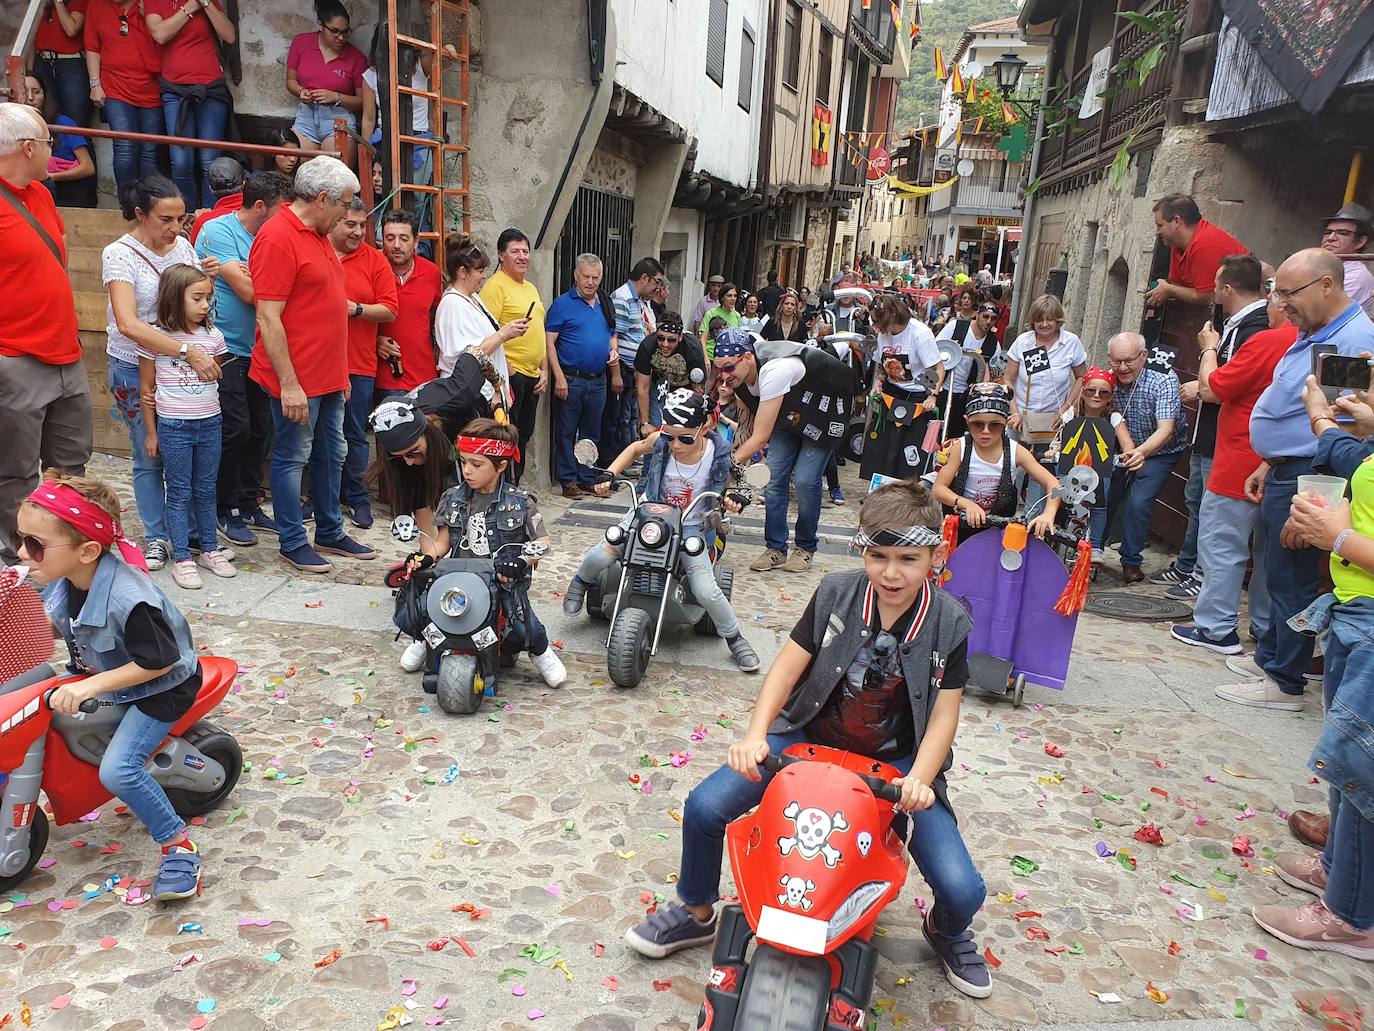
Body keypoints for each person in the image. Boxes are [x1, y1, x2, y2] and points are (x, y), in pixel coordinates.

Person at [623, 479, 991, 999]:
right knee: (705, 807)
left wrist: (920, 782)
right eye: (878, 555)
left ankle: (947, 932)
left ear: (937, 553)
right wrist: (755, 736)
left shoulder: (950, 621)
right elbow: (786, 670)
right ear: (863, 551)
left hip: (896, 764)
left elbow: (944, 717)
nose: (891, 572)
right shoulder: (836, 592)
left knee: (961, 887)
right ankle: (696, 909)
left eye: (908, 558)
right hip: (806, 740)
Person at [17, 473, 206, 901]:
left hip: (157, 689)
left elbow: (160, 662)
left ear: (86, 551)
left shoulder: (128, 598)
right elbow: (50, 626)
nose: (20, 552)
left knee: (118, 769)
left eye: (35, 544)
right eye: (20, 537)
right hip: (105, 675)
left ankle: (179, 845)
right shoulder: (68, 579)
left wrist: (91, 686)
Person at [1214, 248, 1374, 710]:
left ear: (1327, 285)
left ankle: (1283, 681)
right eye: (1277, 293)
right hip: (1289, 466)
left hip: (1312, 472)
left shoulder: (1354, 339)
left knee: (1293, 577)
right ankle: (1272, 659)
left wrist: (1313, 490)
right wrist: (1270, 463)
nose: (1281, 304)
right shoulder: (1318, 332)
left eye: (1289, 293)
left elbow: (1348, 428)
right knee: (1279, 573)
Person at [1249, 408, 1374, 957]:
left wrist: (1338, 536)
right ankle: (1338, 871)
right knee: (1344, 765)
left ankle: (1350, 916)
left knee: (1361, 773)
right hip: (1353, 610)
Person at [562, 389, 760, 672]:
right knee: (605, 550)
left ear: (705, 427)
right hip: (649, 513)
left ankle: (735, 638)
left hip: (691, 522)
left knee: (705, 587)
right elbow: (634, 449)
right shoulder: (660, 442)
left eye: (685, 438)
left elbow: (738, 482)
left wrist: (735, 498)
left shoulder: (719, 452)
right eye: (670, 435)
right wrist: (610, 473)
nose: (675, 444)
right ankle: (580, 583)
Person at [249, 155, 377, 573]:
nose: (349, 213)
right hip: (297, 378)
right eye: (345, 203)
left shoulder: (318, 234)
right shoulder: (278, 237)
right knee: (293, 456)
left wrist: (339, 372)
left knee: (332, 453)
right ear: (322, 199)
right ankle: (291, 541)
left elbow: (326, 311)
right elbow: (269, 317)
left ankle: (329, 530)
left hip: (326, 375)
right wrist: (289, 384)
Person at [1171, 272, 1294, 655]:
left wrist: (1210, 347)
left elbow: (1211, 388)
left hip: (1241, 458)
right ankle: (1264, 627)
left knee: (1222, 544)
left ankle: (1216, 628)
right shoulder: (1312, 342)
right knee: (1269, 553)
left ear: (1280, 303)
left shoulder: (1271, 340)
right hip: (1283, 462)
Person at [103, 175, 221, 570]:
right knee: (149, 452)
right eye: (166, 220)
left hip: (183, 369)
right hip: (137, 365)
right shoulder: (118, 254)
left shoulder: (183, 246)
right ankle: (156, 537)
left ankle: (189, 536)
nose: (176, 229)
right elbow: (128, 323)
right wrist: (188, 352)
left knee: (185, 457)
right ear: (140, 214)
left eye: (182, 219)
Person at [403, 417, 567, 686]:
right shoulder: (451, 497)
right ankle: (425, 639)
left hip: (500, 581)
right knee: (422, 607)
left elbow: (543, 541)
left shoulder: (521, 502)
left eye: (476, 464)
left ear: (501, 465)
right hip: (457, 578)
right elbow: (443, 541)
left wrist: (521, 560)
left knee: (525, 624)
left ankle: (541, 652)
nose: (467, 471)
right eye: (464, 462)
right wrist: (427, 556)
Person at [0, 103, 92, 566]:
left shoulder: (40, 194)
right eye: (49, 143)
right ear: (28, 148)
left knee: (71, 462)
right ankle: (19, 556)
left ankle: (64, 545)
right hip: (14, 358)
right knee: (14, 470)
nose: (55, 151)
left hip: (65, 354)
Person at [1159, 254, 1271, 599]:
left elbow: (1219, 388)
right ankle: (1189, 565)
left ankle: (1201, 576)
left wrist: (1208, 353)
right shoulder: (1235, 322)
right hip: (1210, 432)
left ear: (1226, 288)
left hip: (1228, 438)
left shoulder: (1254, 329)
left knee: (1215, 517)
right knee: (1198, 502)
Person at [712, 329, 862, 574]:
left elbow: (759, 439)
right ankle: (776, 549)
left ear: (747, 357)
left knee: (805, 480)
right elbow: (747, 431)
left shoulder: (775, 370)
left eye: (728, 368)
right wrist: (734, 471)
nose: (724, 376)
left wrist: (721, 465)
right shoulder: (736, 377)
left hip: (822, 415)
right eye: (719, 369)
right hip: (788, 417)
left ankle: (805, 548)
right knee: (773, 479)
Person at [196, 170, 291, 547]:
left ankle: (249, 500)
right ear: (258, 207)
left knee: (261, 428)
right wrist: (267, 281)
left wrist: (259, 278)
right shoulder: (220, 232)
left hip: (263, 347)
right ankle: (225, 508)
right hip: (228, 348)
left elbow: (265, 286)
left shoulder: (275, 236)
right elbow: (252, 294)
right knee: (235, 429)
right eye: (280, 210)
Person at [138, 264, 234, 589]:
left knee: (207, 490)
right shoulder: (157, 340)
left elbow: (214, 376)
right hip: (174, 427)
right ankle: (182, 557)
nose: (205, 305)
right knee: (178, 492)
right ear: (174, 299)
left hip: (210, 424)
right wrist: (152, 433)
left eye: (208, 297)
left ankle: (209, 548)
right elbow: (146, 390)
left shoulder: (214, 337)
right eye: (197, 298)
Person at [331, 197, 398, 529]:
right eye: (350, 224)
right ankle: (322, 499)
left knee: (355, 434)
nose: (358, 231)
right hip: (320, 361)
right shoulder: (319, 251)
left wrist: (355, 308)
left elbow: (389, 308)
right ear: (334, 221)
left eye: (363, 225)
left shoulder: (375, 260)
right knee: (319, 435)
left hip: (358, 363)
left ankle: (357, 499)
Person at [1103, 332, 1187, 584]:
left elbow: (1166, 429)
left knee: (1139, 502)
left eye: (1129, 361)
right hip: (1120, 447)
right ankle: (1092, 551)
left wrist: (1141, 453)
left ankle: (1130, 561)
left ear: (1144, 356)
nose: (1122, 368)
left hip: (1160, 451)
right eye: (1116, 361)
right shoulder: (1109, 377)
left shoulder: (1163, 378)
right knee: (1104, 496)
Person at [933, 384, 1061, 541]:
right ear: (967, 421)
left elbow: (1054, 484)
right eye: (977, 424)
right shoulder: (962, 447)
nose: (985, 431)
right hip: (961, 527)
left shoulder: (1016, 451)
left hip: (999, 531)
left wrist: (1048, 514)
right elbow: (938, 488)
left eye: (995, 425)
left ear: (1005, 423)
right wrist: (965, 504)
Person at [143, 0, 235, 209]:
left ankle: (209, 218)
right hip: (175, 91)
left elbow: (229, 35)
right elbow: (160, 34)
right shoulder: (154, 2)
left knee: (209, 162)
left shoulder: (208, 3)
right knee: (181, 162)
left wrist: (206, 3)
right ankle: (184, 216)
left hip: (210, 89)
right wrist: (190, 7)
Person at [1002, 294, 1088, 515]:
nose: (1045, 324)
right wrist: (1014, 412)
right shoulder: (1023, 341)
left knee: (1041, 472)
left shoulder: (1071, 342)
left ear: (1058, 320)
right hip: (1020, 415)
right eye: (1040, 319)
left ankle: (1033, 518)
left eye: (1050, 319)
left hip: (1051, 420)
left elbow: (1082, 376)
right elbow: (1009, 379)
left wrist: (1067, 407)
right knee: (1010, 470)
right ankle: (1003, 516)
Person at [546, 253, 615, 498]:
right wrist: (559, 377)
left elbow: (612, 333)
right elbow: (549, 343)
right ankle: (568, 479)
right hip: (571, 378)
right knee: (566, 430)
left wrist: (614, 352)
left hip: (598, 380)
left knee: (591, 433)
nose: (590, 282)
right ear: (576, 275)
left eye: (595, 278)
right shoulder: (562, 305)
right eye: (586, 276)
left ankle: (586, 476)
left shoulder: (605, 303)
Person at [480, 227, 545, 483]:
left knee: (524, 434)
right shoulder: (495, 286)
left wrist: (545, 369)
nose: (522, 257)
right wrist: (506, 367)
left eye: (525, 251)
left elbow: (539, 328)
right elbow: (488, 330)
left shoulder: (530, 287)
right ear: (500, 255)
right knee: (507, 434)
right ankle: (504, 486)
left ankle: (515, 485)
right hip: (511, 375)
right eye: (515, 251)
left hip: (532, 374)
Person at [861, 294, 945, 483]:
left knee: (909, 452)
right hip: (891, 392)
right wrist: (878, 383)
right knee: (883, 447)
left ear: (891, 314)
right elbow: (882, 364)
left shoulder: (919, 333)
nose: (875, 325)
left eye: (877, 320)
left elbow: (937, 368)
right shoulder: (883, 334)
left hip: (917, 396)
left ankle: (905, 492)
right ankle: (880, 490)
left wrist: (932, 395)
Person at [433, 233, 523, 407]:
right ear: (462, 272)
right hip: (470, 397)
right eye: (480, 271)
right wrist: (504, 334)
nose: (484, 276)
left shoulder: (473, 297)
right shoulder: (452, 304)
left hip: (485, 394)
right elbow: (469, 357)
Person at [1056, 367, 1133, 560]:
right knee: (1057, 496)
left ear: (1110, 396)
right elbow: (1058, 438)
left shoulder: (1113, 417)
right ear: (1082, 391)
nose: (1096, 395)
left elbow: (1127, 445)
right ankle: (1054, 533)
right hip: (1071, 466)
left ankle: (1096, 546)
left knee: (1099, 504)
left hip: (1100, 469)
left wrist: (1127, 455)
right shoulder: (1072, 414)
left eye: (1103, 392)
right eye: (1090, 390)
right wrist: (1054, 449)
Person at [84, 0, 163, 190]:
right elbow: (92, 47)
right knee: (125, 147)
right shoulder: (97, 5)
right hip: (115, 86)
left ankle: (148, 205)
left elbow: (164, 38)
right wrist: (95, 84)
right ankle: (127, 206)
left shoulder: (150, 5)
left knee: (149, 149)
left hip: (152, 86)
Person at [286, 0, 369, 162]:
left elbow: (363, 102)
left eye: (345, 32)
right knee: (303, 175)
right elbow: (290, 80)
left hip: (339, 118)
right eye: (335, 31)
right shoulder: (301, 43)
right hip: (306, 116)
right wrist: (300, 91)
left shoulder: (356, 57)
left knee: (335, 177)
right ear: (320, 26)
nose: (341, 38)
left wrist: (337, 97)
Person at [373, 209, 441, 401]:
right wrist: (375, 340)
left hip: (425, 376)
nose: (396, 245)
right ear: (382, 241)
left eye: (404, 238)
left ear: (416, 242)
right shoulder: (373, 270)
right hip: (387, 377)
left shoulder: (432, 273)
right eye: (390, 238)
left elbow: (437, 319)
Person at [606, 257, 664, 463]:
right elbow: (615, 337)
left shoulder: (637, 300)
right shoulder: (622, 299)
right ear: (645, 278)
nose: (658, 287)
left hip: (634, 369)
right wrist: (615, 373)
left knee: (629, 416)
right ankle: (617, 460)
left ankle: (629, 458)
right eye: (657, 281)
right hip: (622, 368)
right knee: (619, 418)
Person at [1145, 193, 1246, 309]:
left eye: (1160, 225)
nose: (1157, 231)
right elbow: (1178, 284)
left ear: (1176, 221)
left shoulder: (1204, 244)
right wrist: (1166, 289)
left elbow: (1208, 297)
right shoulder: (1177, 243)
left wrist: (1169, 289)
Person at [24, 67, 96, 208]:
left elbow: (88, 167)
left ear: (45, 95)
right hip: (31, 188)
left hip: (68, 189)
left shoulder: (63, 123)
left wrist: (52, 177)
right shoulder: (11, 126)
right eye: (25, 92)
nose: (31, 98)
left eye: (36, 92)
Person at [935, 300, 999, 436]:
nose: (988, 321)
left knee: (956, 433)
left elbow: (992, 373)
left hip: (966, 394)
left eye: (993, 318)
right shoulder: (955, 326)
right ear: (977, 314)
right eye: (985, 316)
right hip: (942, 386)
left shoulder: (994, 344)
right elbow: (936, 350)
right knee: (934, 427)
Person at [635, 312, 706, 433]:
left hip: (686, 391)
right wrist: (645, 423)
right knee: (657, 430)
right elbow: (642, 387)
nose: (665, 344)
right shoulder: (647, 346)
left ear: (680, 337)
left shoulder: (693, 349)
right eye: (661, 338)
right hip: (659, 388)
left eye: (671, 340)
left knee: (680, 429)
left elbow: (698, 391)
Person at [32, 0, 91, 129]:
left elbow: (71, 29)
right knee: (44, 120)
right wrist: (29, 72)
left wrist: (58, 2)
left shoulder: (78, 2)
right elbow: (30, 39)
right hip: (42, 62)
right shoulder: (38, 5)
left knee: (76, 124)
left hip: (70, 64)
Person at [1320, 202, 1374, 319]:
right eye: (1328, 232)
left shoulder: (1356, 276)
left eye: (1343, 233)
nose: (1330, 238)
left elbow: (1319, 314)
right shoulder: (1326, 266)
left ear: (1360, 241)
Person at [187, 157, 244, 244]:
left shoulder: (203, 221)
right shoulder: (262, 211)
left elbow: (194, 254)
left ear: (210, 189)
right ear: (243, 184)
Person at [698, 281, 741, 351]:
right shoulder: (711, 313)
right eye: (729, 295)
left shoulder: (737, 316)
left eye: (735, 296)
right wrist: (706, 358)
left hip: (729, 356)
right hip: (711, 355)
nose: (733, 299)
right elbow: (702, 339)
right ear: (722, 297)